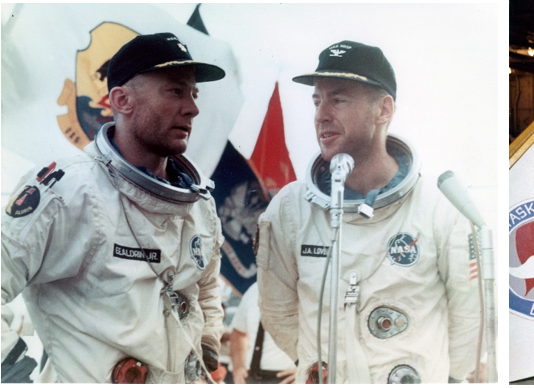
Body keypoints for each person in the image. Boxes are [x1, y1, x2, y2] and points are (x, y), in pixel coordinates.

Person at [0, 32, 226, 383]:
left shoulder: (199, 206)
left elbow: (207, 287)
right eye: (175, 91)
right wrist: (14, 372)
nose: (193, 108)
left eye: (194, 94)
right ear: (122, 100)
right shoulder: (68, 190)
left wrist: (207, 341)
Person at [255, 40, 481, 384]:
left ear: (383, 110)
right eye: (317, 100)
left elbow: (470, 318)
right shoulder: (290, 208)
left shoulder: (438, 206)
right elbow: (277, 311)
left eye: (339, 99)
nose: (321, 115)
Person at [230, 283, 296, 384]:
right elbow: (239, 332)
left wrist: (309, 372)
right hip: (251, 378)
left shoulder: (302, 288)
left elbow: (323, 334)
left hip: (289, 379)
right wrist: (238, 368)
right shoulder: (253, 290)